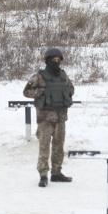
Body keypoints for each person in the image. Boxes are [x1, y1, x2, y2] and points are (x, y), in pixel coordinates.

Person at [23, 48, 74, 187]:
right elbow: (26, 91)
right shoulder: (39, 76)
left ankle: (56, 173)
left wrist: (65, 93)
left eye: (58, 59)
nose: (56, 61)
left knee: (59, 147)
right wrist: (42, 92)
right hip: (45, 118)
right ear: (47, 60)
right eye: (53, 59)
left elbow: (71, 89)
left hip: (61, 118)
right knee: (44, 147)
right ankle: (43, 175)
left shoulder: (63, 75)